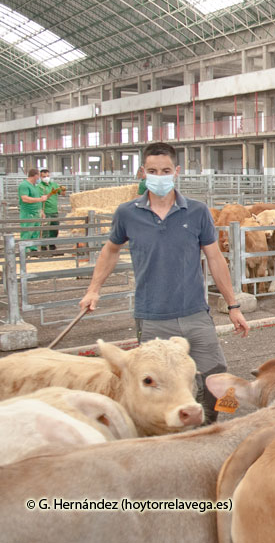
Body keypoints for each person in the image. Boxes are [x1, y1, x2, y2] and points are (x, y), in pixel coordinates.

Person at [79, 142, 249, 424]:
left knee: (216, 373)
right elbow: (110, 249)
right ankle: (165, 434)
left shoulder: (196, 211)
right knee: (156, 383)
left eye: (166, 170)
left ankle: (209, 427)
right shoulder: (127, 213)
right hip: (152, 317)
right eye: (153, 170)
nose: (160, 176)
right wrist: (93, 290)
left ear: (177, 172)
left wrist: (233, 305)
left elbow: (215, 258)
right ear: (143, 172)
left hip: (195, 312)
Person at [18, 168, 50, 252]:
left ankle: (33, 249)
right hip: (28, 212)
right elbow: (25, 198)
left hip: (36, 212)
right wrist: (40, 199)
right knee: (27, 231)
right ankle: (25, 250)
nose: (39, 178)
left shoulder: (34, 186)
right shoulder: (24, 185)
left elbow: (36, 199)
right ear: (35, 176)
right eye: (39, 176)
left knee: (36, 231)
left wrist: (41, 211)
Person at [38, 169, 66, 252]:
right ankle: (44, 247)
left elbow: (62, 194)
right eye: (44, 176)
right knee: (45, 230)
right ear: (40, 177)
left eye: (47, 176)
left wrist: (63, 190)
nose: (46, 178)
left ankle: (52, 245)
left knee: (54, 229)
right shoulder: (39, 186)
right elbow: (42, 198)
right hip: (45, 210)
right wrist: (41, 211)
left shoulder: (54, 184)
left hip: (54, 210)